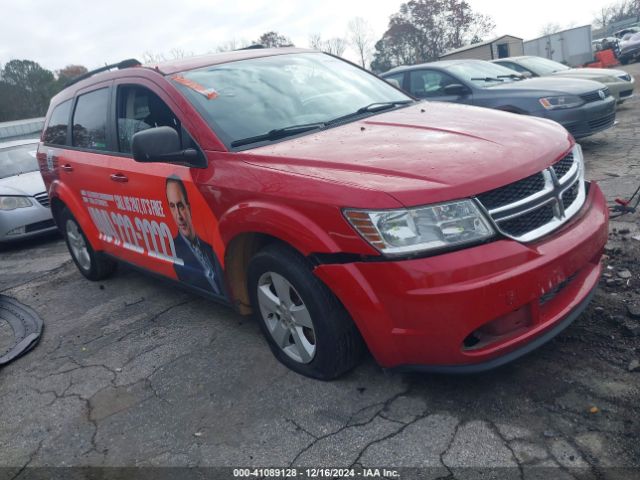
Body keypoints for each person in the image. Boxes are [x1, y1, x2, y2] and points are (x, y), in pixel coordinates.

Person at [165, 175, 225, 296]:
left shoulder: (208, 247)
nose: (179, 216)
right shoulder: (174, 252)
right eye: (172, 206)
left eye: (180, 206)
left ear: (189, 207)